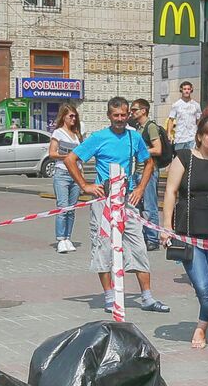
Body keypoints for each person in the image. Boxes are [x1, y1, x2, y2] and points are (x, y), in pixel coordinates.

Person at [64, 96, 170, 314]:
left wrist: (140, 188)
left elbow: (148, 162)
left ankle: (147, 297)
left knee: (138, 245)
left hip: (127, 199)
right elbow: (70, 160)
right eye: (116, 116)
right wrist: (85, 185)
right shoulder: (99, 137)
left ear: (128, 114)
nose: (120, 119)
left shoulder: (134, 136)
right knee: (103, 248)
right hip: (104, 201)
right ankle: (110, 296)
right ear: (109, 116)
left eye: (123, 115)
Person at [159, 112, 208, 350]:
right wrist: (167, 226)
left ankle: (201, 328)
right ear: (200, 136)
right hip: (188, 231)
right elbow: (171, 191)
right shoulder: (184, 157)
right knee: (202, 286)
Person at [47, 102, 84, 253]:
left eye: (75, 116)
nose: (73, 119)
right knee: (63, 207)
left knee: (72, 208)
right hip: (62, 172)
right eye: (71, 116)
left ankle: (68, 237)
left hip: (75, 173)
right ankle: (60, 239)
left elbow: (80, 157)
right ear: (63, 117)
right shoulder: (58, 133)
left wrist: (82, 176)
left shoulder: (76, 135)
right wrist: (67, 156)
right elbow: (52, 153)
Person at [132, 98, 166, 250]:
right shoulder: (138, 127)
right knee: (137, 205)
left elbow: (158, 149)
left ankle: (153, 238)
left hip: (149, 171)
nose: (132, 112)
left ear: (143, 110)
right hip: (137, 171)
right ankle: (144, 236)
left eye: (135, 109)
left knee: (150, 206)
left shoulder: (150, 127)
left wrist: (141, 151)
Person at [168, 80, 200, 154]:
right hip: (180, 137)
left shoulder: (196, 105)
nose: (186, 91)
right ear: (181, 90)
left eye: (188, 89)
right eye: (185, 89)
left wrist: (198, 132)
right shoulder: (176, 105)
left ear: (191, 90)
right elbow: (171, 119)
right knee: (179, 158)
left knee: (192, 157)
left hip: (192, 137)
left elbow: (198, 120)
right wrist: (169, 133)